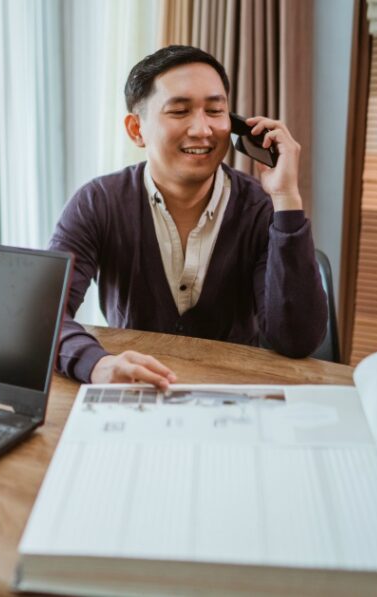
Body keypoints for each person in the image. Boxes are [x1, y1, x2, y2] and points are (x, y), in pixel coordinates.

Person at [50, 45, 326, 385]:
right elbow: (44, 316)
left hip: (232, 394)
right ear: (137, 129)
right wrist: (95, 364)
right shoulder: (97, 203)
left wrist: (287, 198)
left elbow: (296, 340)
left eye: (215, 111)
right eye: (180, 112)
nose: (203, 129)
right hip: (135, 393)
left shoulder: (260, 208)